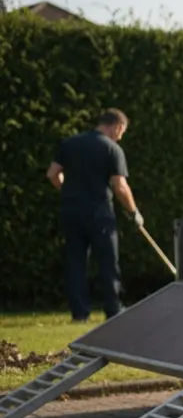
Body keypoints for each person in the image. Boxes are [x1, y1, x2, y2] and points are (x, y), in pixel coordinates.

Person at [46, 108, 143, 322]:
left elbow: (53, 173)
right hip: (99, 211)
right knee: (107, 260)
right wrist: (133, 212)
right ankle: (113, 309)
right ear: (117, 127)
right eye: (122, 133)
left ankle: (79, 313)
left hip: (71, 210)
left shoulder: (70, 143)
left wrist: (67, 191)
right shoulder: (112, 149)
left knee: (75, 261)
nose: (120, 137)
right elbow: (120, 185)